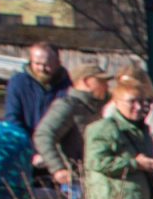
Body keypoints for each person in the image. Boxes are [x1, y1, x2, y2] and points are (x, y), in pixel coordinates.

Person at [34, 61, 108, 190]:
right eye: (101, 81)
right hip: (76, 183)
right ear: (86, 82)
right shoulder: (67, 106)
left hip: (96, 179)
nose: (106, 85)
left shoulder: (96, 106)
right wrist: (58, 168)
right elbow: (43, 135)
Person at [4, 40, 68, 144]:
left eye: (47, 64)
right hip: (24, 142)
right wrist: (26, 143)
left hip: (55, 144)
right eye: (37, 64)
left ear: (57, 63)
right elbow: (13, 117)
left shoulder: (68, 86)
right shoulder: (18, 83)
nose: (42, 69)